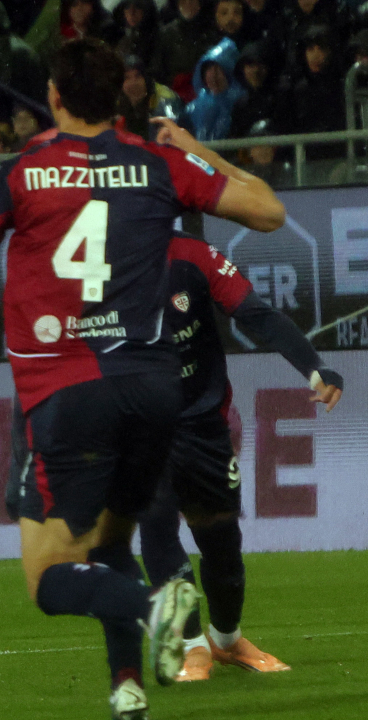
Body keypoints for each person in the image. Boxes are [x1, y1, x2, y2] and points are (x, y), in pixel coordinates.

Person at [0, 38, 285, 720]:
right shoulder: (159, 163)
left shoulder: (23, 170)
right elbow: (269, 212)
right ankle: (126, 683)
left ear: (55, 96)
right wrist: (198, 151)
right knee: (112, 547)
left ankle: (159, 607)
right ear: (120, 96)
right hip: (156, 391)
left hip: (65, 392)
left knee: (48, 580)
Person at [137, 234, 343, 682]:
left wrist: (314, 366)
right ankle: (192, 647)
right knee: (156, 525)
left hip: (204, 426)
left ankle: (226, 640)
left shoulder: (190, 256)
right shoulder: (94, 267)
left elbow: (255, 314)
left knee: (223, 547)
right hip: (140, 424)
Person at [183, 38, 244, 141]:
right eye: (208, 70)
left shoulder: (241, 101)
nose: (213, 75)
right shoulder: (194, 107)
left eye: (217, 69)